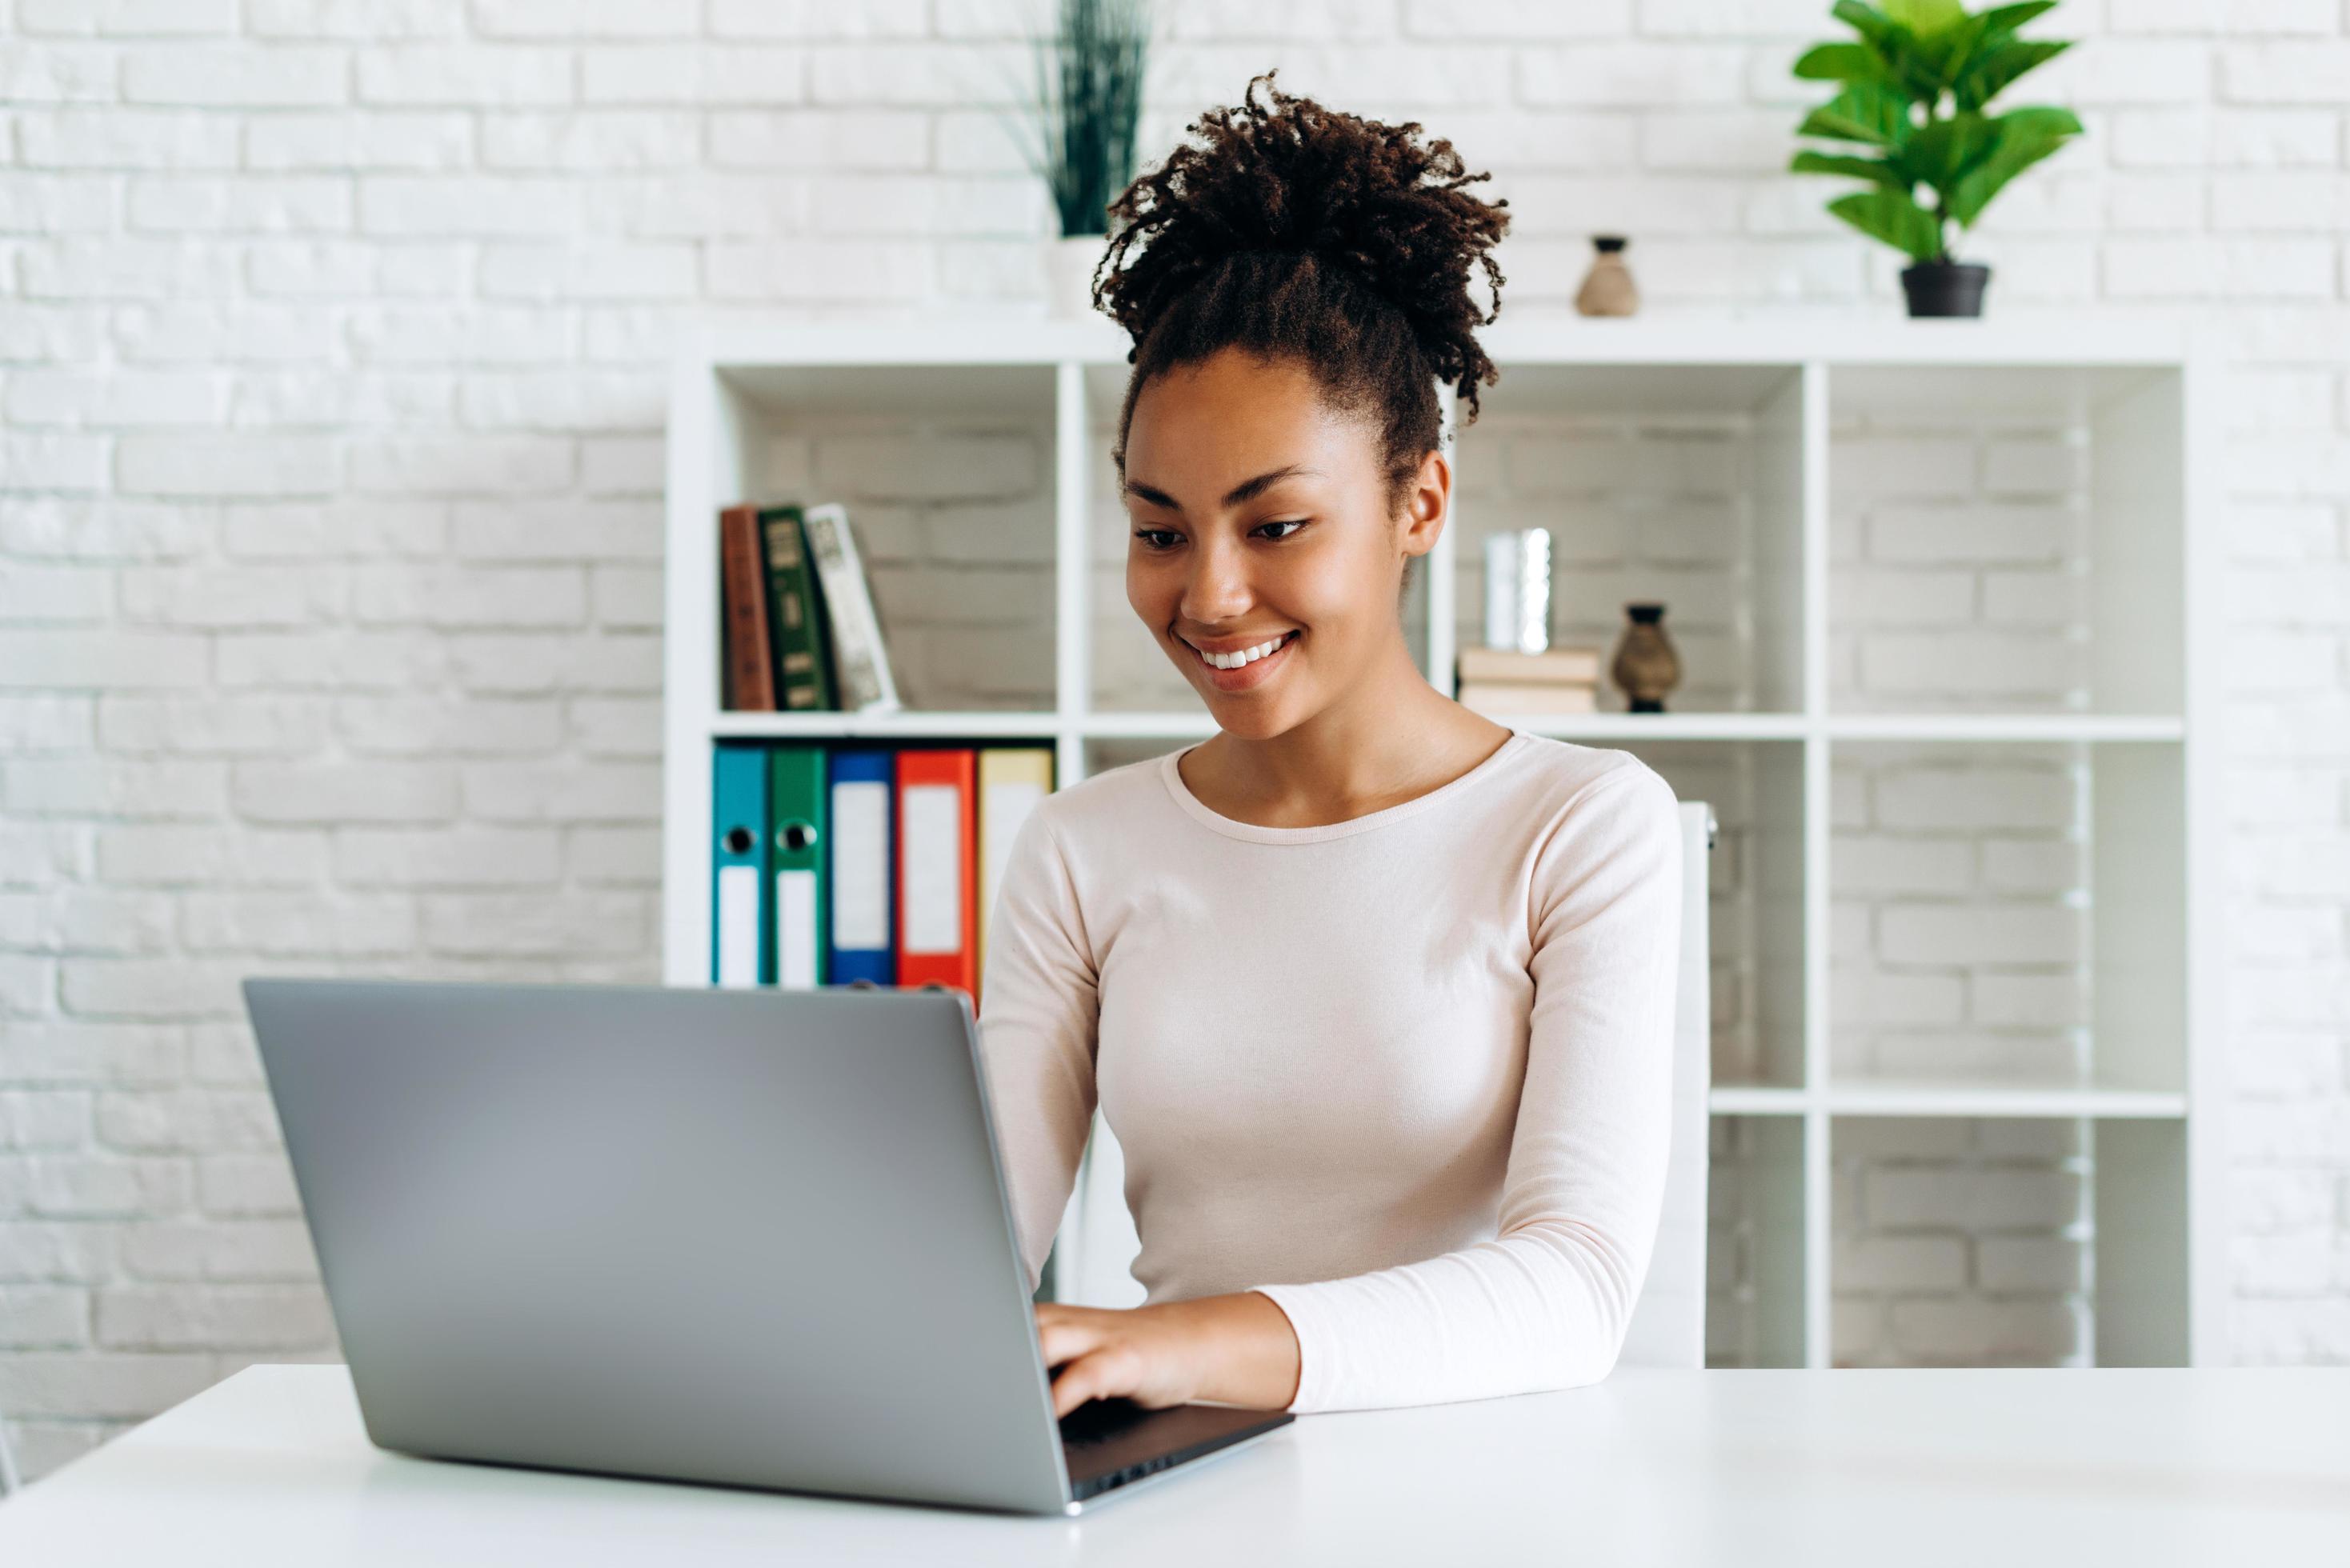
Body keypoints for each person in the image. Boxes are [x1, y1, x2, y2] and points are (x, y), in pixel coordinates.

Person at [976, 70, 1685, 1419]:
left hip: (1484, 1484)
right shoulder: (1080, 848)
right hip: (1168, 1473)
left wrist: (1175, 1345)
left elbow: (1574, 1286)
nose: (1208, 596)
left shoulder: (1580, 823)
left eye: (1276, 526)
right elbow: (968, 1253)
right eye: (1159, 529)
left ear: (1419, 502)